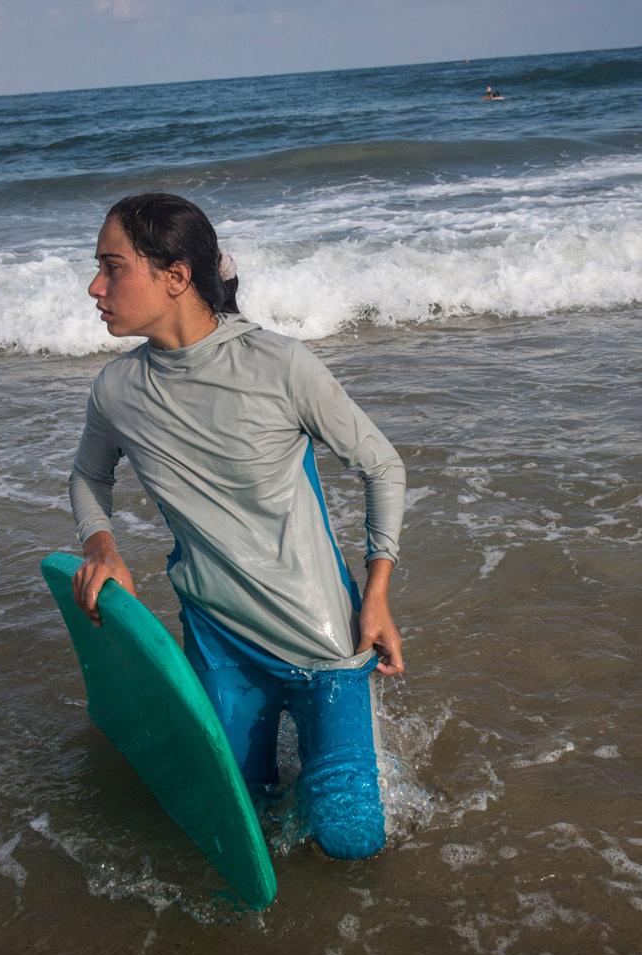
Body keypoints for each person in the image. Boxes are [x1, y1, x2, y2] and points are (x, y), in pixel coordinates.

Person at [68, 193, 406, 860]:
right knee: (236, 821)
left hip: (324, 643)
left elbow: (383, 466)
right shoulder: (116, 390)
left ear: (176, 276)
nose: (95, 286)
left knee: (349, 837)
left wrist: (377, 594)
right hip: (218, 638)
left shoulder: (279, 366)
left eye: (112, 266)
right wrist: (102, 544)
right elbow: (88, 476)